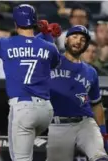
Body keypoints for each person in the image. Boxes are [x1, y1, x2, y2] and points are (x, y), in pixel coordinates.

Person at [0, 4, 61, 161]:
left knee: (20, 159)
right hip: (46, 112)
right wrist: (47, 34)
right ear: (34, 21)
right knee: (29, 137)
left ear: (15, 23)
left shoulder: (6, 44)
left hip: (23, 109)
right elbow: (52, 60)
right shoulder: (48, 47)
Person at [41, 25, 108, 161]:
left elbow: (96, 104)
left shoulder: (91, 72)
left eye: (83, 39)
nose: (78, 41)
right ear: (66, 40)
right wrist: (45, 34)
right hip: (58, 124)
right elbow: (36, 48)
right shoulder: (52, 62)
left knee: (100, 157)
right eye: (75, 37)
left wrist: (103, 131)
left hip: (85, 123)